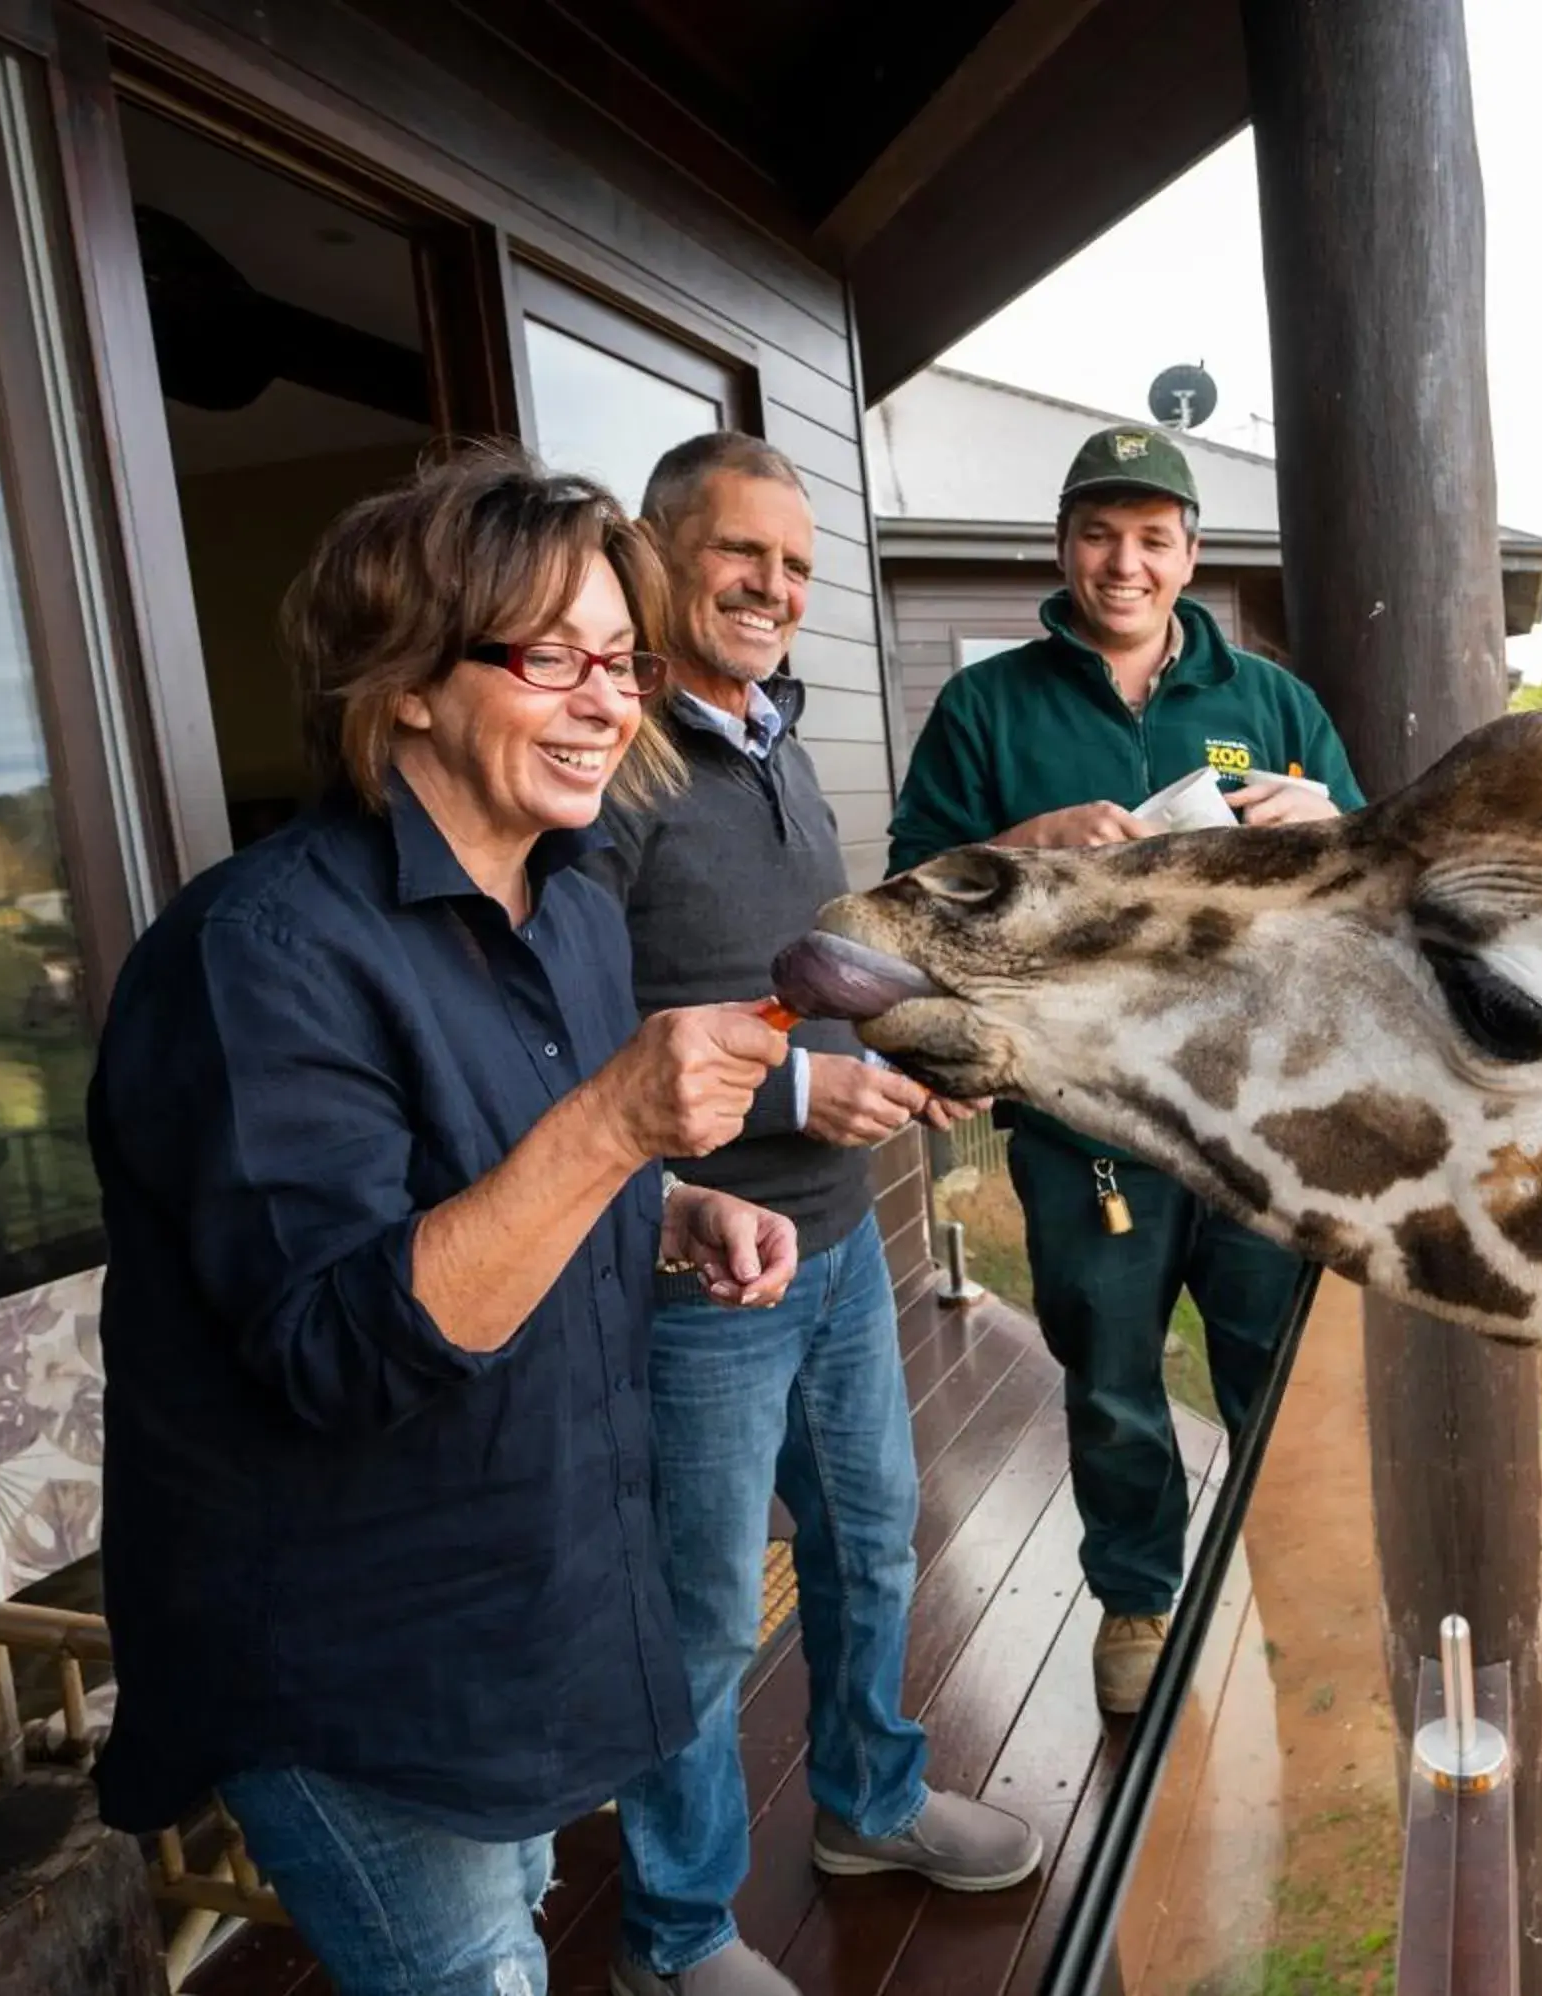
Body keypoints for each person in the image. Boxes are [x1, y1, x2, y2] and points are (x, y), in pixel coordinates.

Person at [90, 446, 801, 1996]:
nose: (608, 703)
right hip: (362, 1668)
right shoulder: (257, 955)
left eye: (621, 662)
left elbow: (505, 1185)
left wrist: (669, 1201)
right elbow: (338, 1347)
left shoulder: (576, 911)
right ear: (405, 683)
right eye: (551, 658)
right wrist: (618, 1124)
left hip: (530, 1609)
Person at [593, 432, 1036, 1996]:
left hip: (838, 1245)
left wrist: (904, 1061)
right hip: (698, 1267)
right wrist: (793, 1096)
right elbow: (570, 1037)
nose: (773, 587)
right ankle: (675, 1934)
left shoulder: (775, 740)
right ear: (659, 554)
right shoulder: (617, 760)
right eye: (742, 553)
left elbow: (797, 984)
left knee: (871, 1545)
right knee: (707, 1613)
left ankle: (868, 1802)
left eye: (795, 564)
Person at [884, 424, 1364, 1714]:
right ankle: (1140, 1603)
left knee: (1280, 1371)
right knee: (1111, 1379)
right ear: (1063, 547)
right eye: (1100, 535)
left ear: (1191, 556)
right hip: (1081, 1114)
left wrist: (1330, 822)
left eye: (1154, 539)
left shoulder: (1270, 705)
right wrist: (1025, 840)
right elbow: (911, 886)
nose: (1125, 563)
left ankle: (1304, 1590)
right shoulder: (990, 707)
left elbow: (1371, 884)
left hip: (1255, 1116)